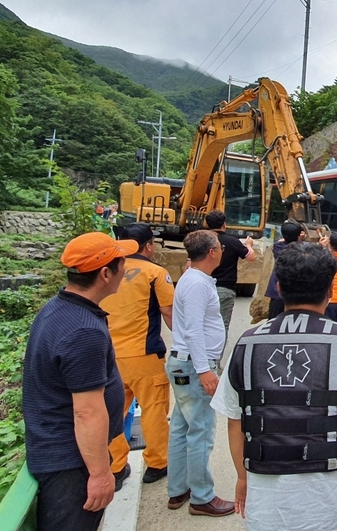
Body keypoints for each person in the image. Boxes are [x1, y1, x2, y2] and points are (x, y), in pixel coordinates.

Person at [211, 242, 337, 530]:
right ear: (329, 290)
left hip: (268, 510)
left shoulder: (247, 344)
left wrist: (242, 476)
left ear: (279, 288)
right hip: (335, 510)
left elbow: (235, 421)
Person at [23, 232, 138, 530]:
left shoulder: (60, 308)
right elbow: (86, 411)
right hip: (71, 464)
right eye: (121, 261)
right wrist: (100, 474)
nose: (125, 267)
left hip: (64, 453)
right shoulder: (83, 331)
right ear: (104, 273)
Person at [166, 230, 234, 516]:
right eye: (219, 246)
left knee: (183, 428)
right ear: (212, 253)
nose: (221, 249)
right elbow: (193, 329)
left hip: (187, 363)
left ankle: (178, 489)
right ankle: (202, 497)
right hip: (194, 365)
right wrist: (205, 369)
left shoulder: (195, 278)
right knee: (201, 431)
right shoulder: (196, 284)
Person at [101, 223, 173, 488]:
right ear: (149, 245)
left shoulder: (107, 272)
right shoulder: (155, 272)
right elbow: (168, 312)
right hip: (144, 355)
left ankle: (116, 465)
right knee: (154, 409)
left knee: (111, 413)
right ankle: (156, 463)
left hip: (108, 356)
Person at [205, 210, 256, 346]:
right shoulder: (232, 242)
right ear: (224, 224)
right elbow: (250, 257)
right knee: (221, 326)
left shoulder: (200, 240)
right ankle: (215, 362)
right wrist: (248, 245)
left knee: (201, 324)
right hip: (224, 288)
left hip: (202, 286)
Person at [264, 220, 303, 319]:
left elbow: (281, 241)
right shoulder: (302, 250)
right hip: (294, 293)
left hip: (276, 293)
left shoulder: (277, 247)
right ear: (299, 236)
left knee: (274, 321)